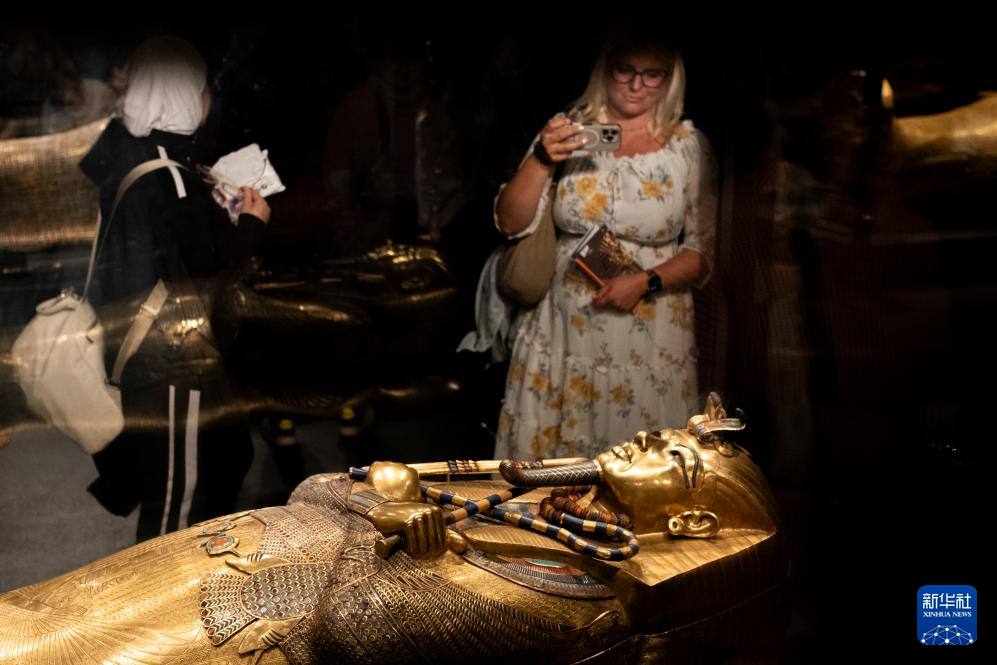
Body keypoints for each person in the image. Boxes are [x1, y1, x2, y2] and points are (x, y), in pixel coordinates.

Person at [0, 396, 786, 664]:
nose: (653, 440)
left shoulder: (571, 593)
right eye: (670, 436)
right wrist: (376, 514)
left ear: (689, 521)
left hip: (232, 631)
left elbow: (351, 629)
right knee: (25, 612)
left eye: (675, 460)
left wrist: (377, 521)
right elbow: (317, 486)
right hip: (227, 547)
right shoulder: (525, 488)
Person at [493, 28, 717, 462]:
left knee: (637, 459)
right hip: (563, 325)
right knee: (554, 460)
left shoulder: (687, 148)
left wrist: (645, 281)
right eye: (624, 71)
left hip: (648, 327)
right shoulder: (568, 133)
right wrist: (542, 157)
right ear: (605, 71)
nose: (636, 85)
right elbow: (510, 222)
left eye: (652, 74)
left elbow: (702, 253)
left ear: (670, 78)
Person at [79, 37, 271, 541]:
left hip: (141, 352)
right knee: (178, 506)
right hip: (172, 368)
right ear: (182, 94)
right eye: (202, 87)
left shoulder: (130, 153)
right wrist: (251, 224)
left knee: (221, 463)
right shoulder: (171, 178)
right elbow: (208, 280)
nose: (210, 96)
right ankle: (163, 590)